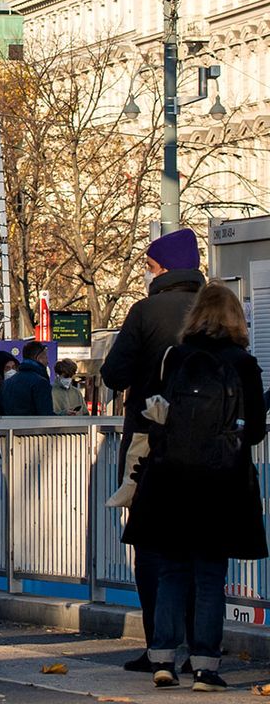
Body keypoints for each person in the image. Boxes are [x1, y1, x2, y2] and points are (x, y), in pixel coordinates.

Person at [122, 282, 267, 692]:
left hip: (170, 479)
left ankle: (163, 658)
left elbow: (150, 411)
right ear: (236, 318)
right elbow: (254, 431)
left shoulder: (174, 357)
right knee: (209, 576)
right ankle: (204, 666)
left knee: (171, 572)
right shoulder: (243, 363)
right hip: (222, 482)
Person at [100, 227, 204, 672]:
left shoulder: (145, 312)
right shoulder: (218, 309)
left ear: (161, 268)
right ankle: (202, 648)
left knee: (150, 541)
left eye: (148, 266)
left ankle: (159, 647)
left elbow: (114, 375)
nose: (146, 273)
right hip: (208, 445)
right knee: (200, 546)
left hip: (149, 439)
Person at [0, 341, 53, 416]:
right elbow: (46, 416)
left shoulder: (7, 383)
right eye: (46, 357)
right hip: (33, 427)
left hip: (10, 426)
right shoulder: (41, 383)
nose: (47, 362)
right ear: (39, 358)